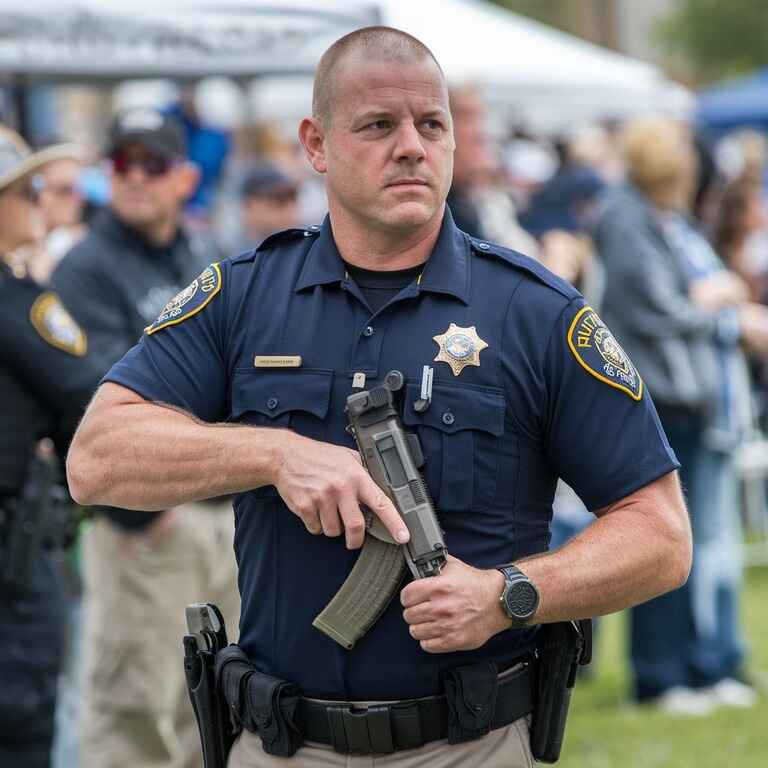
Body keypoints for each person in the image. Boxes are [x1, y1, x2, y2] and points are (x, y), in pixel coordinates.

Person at [67, 28, 691, 768]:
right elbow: (96, 458)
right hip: (283, 744)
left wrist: (510, 593)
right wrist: (274, 452)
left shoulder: (535, 314)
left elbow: (661, 534)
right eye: (377, 125)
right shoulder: (246, 295)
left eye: (432, 125)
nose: (410, 147)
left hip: (470, 744)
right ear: (316, 143)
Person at [51, 108, 240, 768]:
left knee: (215, 711)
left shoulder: (198, 254)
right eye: (122, 163)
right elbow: (96, 397)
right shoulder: (85, 269)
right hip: (143, 524)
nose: (135, 177)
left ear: (184, 178)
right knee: (133, 715)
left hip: (219, 515)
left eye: (152, 164)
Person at [595, 117, 768, 714]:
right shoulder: (626, 219)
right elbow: (656, 308)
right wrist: (718, 302)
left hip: (694, 400)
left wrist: (718, 302)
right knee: (660, 542)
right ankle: (659, 675)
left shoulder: (664, 219)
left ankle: (698, 666)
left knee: (699, 544)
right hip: (660, 402)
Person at [0, 125, 103, 768]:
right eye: (28, 189)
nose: (40, 201)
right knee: (22, 723)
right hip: (12, 573)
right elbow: (91, 403)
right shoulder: (19, 306)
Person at [237, 161, 300, 252]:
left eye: (293, 200)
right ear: (249, 205)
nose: (289, 211)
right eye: (279, 201)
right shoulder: (223, 251)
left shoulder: (303, 248)